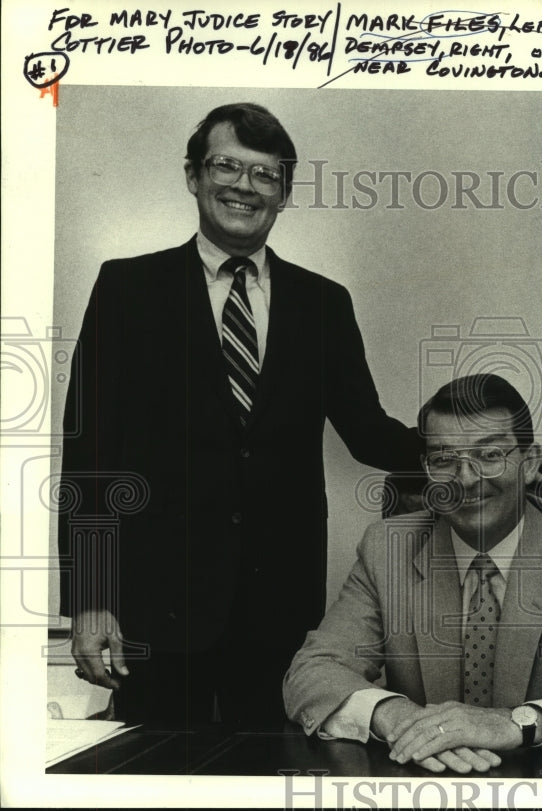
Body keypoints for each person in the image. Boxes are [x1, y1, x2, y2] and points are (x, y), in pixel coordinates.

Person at [58, 102, 422, 725]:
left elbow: (367, 431)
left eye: (265, 175)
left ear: (283, 195)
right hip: (157, 607)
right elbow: (89, 452)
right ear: (193, 176)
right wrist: (91, 600)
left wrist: (464, 447)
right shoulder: (127, 290)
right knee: (157, 775)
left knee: (272, 770)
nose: (244, 186)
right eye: (227, 166)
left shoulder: (323, 303)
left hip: (279, 608)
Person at [283, 374, 542, 773]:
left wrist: (515, 724)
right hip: (426, 787)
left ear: (529, 464)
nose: (466, 478)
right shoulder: (388, 548)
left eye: (490, 455)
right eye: (445, 459)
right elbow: (312, 671)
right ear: (428, 469)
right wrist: (398, 717)